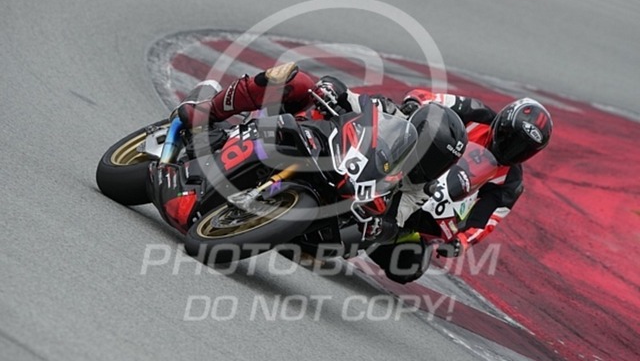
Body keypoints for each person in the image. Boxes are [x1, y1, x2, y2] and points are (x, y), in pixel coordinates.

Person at [173, 62, 468, 276]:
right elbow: (346, 93)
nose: (426, 167)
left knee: (350, 235)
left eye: (437, 164)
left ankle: (270, 221)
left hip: (342, 199)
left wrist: (381, 225)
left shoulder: (421, 188)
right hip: (321, 143)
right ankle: (208, 111)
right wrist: (329, 89)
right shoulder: (388, 113)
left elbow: (396, 219)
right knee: (295, 79)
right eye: (426, 156)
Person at [366, 90, 553, 283]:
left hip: (436, 201)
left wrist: (461, 242)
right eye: (510, 138)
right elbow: (432, 99)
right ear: (502, 123)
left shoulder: (511, 183)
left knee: (409, 264)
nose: (512, 149)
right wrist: (415, 102)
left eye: (523, 149)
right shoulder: (477, 112)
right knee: (381, 112)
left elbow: (485, 221)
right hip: (409, 160)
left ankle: (382, 234)